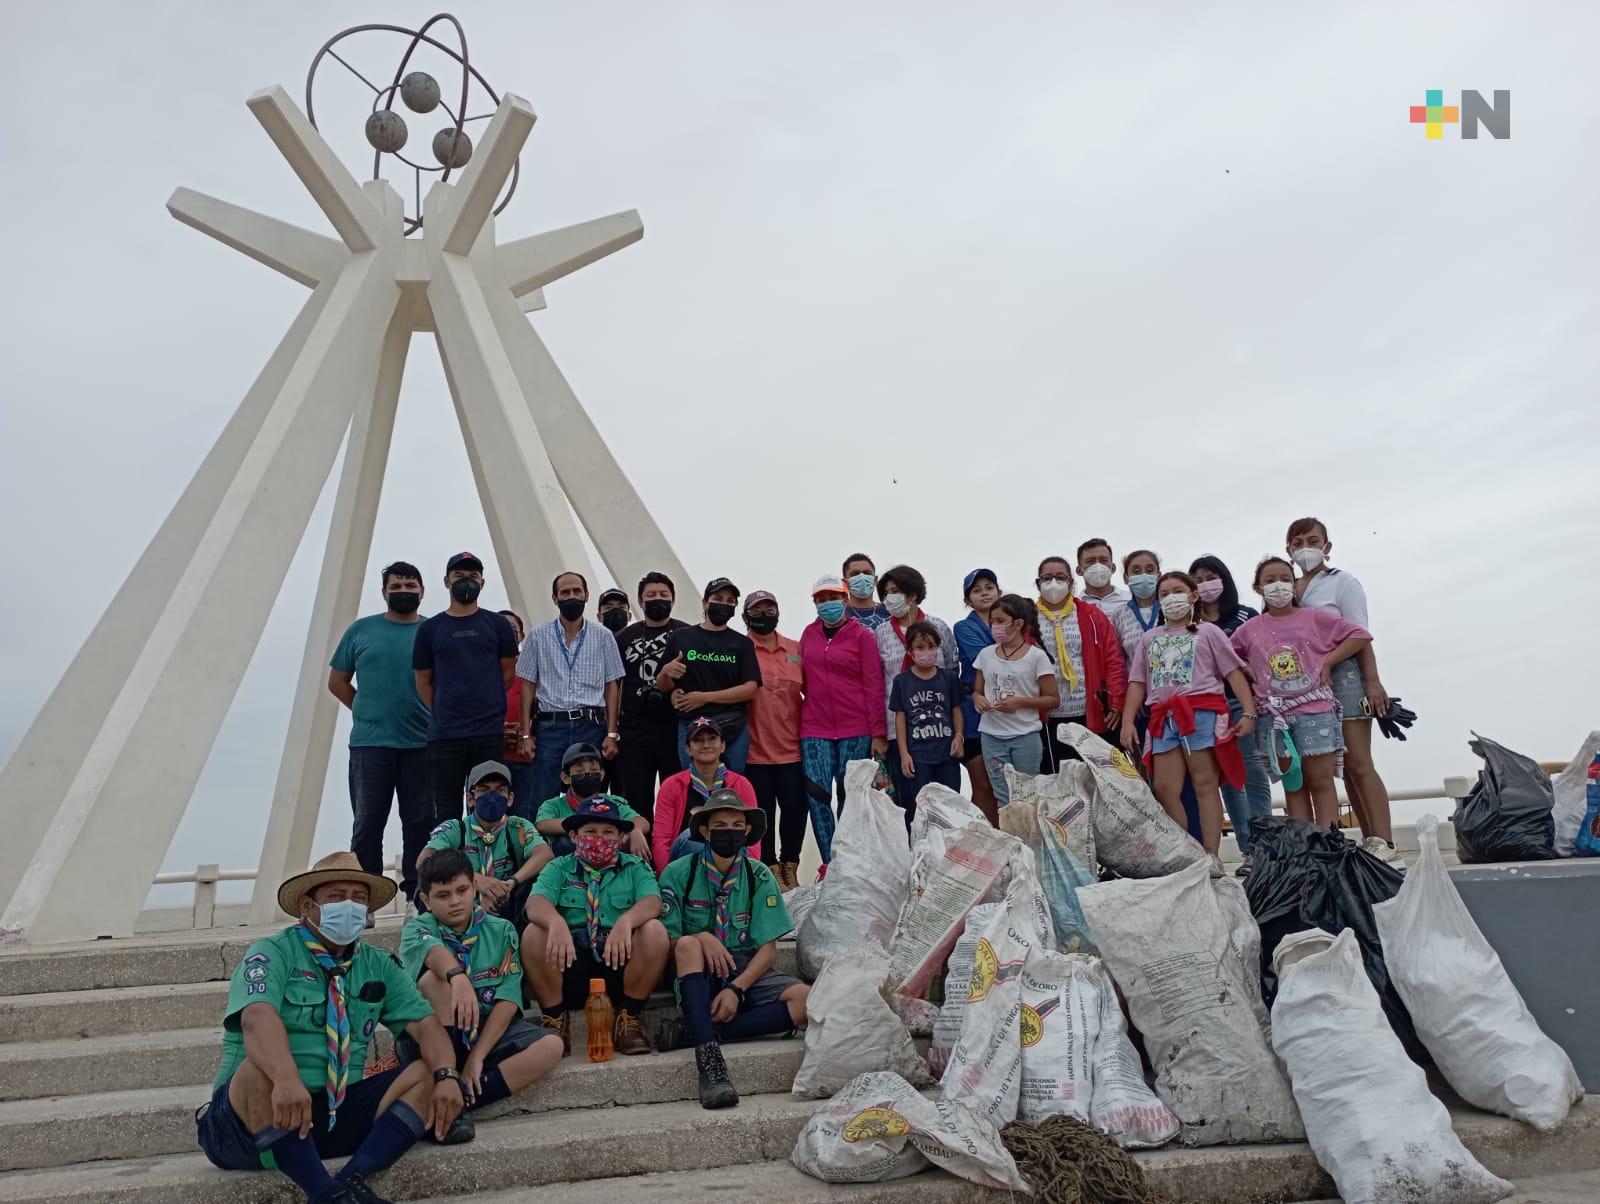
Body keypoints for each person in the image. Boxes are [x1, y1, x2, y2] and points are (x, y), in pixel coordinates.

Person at [195, 852, 465, 1204]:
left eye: (359, 898)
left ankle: (354, 1179)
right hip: (249, 1122)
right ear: (308, 906)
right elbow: (256, 1018)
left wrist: (447, 1076)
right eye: (337, 897)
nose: (350, 906)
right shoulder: (272, 953)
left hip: (332, 1111)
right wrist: (288, 1081)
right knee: (255, 1072)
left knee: (425, 1072)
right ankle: (326, 1194)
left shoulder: (376, 964)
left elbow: (426, 1025)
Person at [656, 793, 809, 1109]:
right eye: (721, 825)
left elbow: (768, 950)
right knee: (687, 943)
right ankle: (711, 1064)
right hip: (698, 970)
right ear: (706, 831)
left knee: (809, 1001)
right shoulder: (678, 872)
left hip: (745, 968)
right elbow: (669, 941)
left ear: (747, 832)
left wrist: (737, 990)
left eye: (738, 825)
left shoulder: (759, 875)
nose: (730, 831)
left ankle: (694, 1031)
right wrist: (702, 936)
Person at [398, 850, 562, 1132]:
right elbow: (432, 952)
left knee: (552, 1046)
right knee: (434, 983)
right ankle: (445, 1080)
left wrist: (477, 1056)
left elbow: (508, 998)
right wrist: (457, 978)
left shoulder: (502, 929)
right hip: (432, 1037)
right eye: (443, 895)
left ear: (475, 887)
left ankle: (460, 1100)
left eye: (462, 890)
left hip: (483, 1029)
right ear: (425, 899)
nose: (455, 901)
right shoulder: (418, 927)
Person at [1287, 517, 1401, 861]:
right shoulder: (1289, 588)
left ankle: (1385, 841)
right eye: (1298, 542)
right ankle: (1368, 841)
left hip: (1346, 677)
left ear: (1327, 546)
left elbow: (1360, 635)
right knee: (1341, 765)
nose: (1305, 547)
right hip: (1307, 688)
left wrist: (1373, 681)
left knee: (1359, 760)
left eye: (1313, 540)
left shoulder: (1342, 583)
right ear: (1288, 550)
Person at [1119, 572, 1257, 855]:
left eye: (1177, 591)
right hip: (1162, 717)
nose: (1171, 598)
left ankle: (1211, 853)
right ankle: (1186, 851)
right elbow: (1138, 683)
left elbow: (1233, 672)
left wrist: (1249, 712)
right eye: (1164, 594)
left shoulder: (1209, 632)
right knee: (1164, 787)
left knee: (1204, 782)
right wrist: (1127, 721)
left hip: (1201, 713)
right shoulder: (1149, 639)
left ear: (1193, 596)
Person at [1232, 557, 1372, 831]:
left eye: (1284, 578)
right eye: (1270, 580)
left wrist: (1330, 661)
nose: (1278, 586)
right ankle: (1305, 848)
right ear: (1258, 587)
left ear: (1295, 584)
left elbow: (1359, 635)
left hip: (1315, 711)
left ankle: (1328, 844)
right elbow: (1226, 656)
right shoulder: (1248, 629)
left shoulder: (1315, 618)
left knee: (1321, 780)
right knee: (1293, 783)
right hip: (1273, 719)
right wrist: (1248, 669)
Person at [523, 797, 667, 1056]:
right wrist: (555, 921)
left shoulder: (635, 867)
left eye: (608, 832)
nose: (599, 838)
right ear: (574, 835)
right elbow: (535, 903)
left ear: (622, 837)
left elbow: (653, 901)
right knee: (534, 933)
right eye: (590, 831)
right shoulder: (559, 866)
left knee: (654, 931)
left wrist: (627, 921)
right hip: (571, 964)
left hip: (619, 964)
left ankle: (629, 1020)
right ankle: (555, 1020)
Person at [328, 560, 432, 902]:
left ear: (422, 590)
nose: (403, 592)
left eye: (409, 586)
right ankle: (363, 899)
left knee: (420, 824)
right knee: (368, 824)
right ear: (384, 592)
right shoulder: (360, 630)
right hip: (370, 745)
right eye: (396, 587)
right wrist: (366, 709)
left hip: (422, 743)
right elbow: (338, 681)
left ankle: (418, 895)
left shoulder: (432, 630)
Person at [414, 552, 520, 824]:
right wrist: (444, 709)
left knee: (488, 808)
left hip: (487, 733)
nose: (466, 582)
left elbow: (507, 674)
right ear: (446, 581)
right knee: (446, 812)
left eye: (472, 576)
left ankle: (484, 866)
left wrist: (485, 703)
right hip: (445, 736)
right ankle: (448, 866)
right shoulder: (430, 629)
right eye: (459, 576)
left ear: (482, 582)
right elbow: (423, 682)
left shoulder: (497, 625)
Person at [514, 571, 625, 809]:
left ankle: (590, 846)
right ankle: (541, 846)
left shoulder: (603, 636)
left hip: (591, 725)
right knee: (543, 798)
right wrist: (525, 734)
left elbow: (612, 685)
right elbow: (528, 685)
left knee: (591, 798)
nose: (571, 596)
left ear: (586, 595)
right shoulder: (537, 636)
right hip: (551, 726)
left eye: (576, 591)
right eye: (565, 592)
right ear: (555, 598)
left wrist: (612, 733)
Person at [1189, 555, 1273, 865]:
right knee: (1228, 777)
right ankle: (1248, 848)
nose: (1204, 584)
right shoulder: (1188, 624)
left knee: (1252, 769)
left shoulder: (1245, 615)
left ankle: (1267, 846)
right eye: (1197, 579)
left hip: (1242, 702)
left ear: (1224, 579)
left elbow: (1260, 658)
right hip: (1207, 707)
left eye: (1210, 576)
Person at [798, 575, 887, 865]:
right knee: (817, 794)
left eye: (833, 598)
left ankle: (851, 863)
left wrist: (878, 733)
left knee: (850, 798)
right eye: (821, 600)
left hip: (856, 728)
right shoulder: (808, 635)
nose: (828, 604)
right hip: (815, 728)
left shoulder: (862, 636)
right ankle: (829, 863)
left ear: (845, 600)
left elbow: (874, 685)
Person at [418, 762, 552, 923]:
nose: (492, 796)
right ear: (470, 799)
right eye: (483, 790)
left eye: (500, 790)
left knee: (536, 881)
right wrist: (475, 879)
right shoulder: (456, 829)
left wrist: (511, 882)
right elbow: (423, 861)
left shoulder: (518, 827)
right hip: (461, 905)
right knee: (425, 881)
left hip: (506, 904)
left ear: (510, 799)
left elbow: (545, 855)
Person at [873, 565, 959, 808]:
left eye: (896, 591)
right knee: (908, 801)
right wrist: (878, 732)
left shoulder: (938, 626)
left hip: (939, 731)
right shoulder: (880, 633)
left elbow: (952, 668)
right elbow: (877, 682)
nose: (890, 597)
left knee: (945, 802)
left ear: (912, 595)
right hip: (896, 729)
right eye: (887, 592)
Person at [655, 578, 762, 773]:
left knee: (732, 789)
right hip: (691, 726)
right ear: (705, 602)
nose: (724, 604)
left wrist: (704, 698)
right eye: (718, 598)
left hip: (733, 727)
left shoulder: (742, 643)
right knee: (694, 788)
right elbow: (662, 685)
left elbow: (750, 689)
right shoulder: (681, 637)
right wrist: (665, 672)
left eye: (730, 601)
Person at [1033, 556, 1127, 770]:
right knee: (1057, 780)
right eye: (1047, 578)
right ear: (1038, 583)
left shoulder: (1091, 614)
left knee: (1098, 778)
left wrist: (1116, 702)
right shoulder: (1027, 617)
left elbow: (1113, 660)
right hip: (1048, 717)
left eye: (1060, 577)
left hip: (1090, 711)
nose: (1054, 583)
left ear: (1071, 582)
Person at [741, 591, 808, 890]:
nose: (765, 613)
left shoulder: (796, 649)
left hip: (794, 751)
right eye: (758, 609)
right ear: (746, 616)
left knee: (795, 810)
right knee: (762, 816)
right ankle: (769, 871)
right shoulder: (740, 649)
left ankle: (790, 866)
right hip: (754, 754)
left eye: (770, 607)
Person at [612, 572, 688, 825]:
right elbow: (612, 685)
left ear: (673, 598)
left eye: (663, 595)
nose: (658, 599)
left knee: (677, 799)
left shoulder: (686, 634)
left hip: (674, 727)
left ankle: (674, 857)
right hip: (635, 731)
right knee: (636, 800)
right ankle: (641, 859)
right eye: (651, 595)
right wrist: (612, 730)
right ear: (640, 601)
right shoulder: (623, 637)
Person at [973, 595, 1059, 808]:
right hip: (991, 737)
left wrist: (1020, 702)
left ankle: (1030, 840)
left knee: (1028, 796)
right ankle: (1011, 840)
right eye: (992, 621)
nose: (995, 626)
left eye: (1000, 621)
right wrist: (979, 699)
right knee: (1003, 797)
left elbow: (1053, 699)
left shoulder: (1036, 657)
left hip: (1025, 737)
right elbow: (976, 690)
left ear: (1018, 624)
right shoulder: (985, 654)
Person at [652, 717, 759, 871]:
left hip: (732, 861)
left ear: (722, 746)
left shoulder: (741, 785)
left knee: (734, 836)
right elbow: (661, 840)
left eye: (712, 739)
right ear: (688, 749)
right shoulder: (672, 785)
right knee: (695, 835)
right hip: (684, 866)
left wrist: (750, 876)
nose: (706, 745)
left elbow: (753, 836)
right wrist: (667, 879)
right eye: (698, 740)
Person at [532, 743, 650, 860]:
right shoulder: (554, 805)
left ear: (602, 774)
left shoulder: (612, 801)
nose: (587, 774)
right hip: (570, 866)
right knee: (564, 842)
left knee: (629, 837)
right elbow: (542, 824)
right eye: (579, 771)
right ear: (566, 778)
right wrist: (585, 824)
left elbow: (642, 821)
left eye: (593, 769)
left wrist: (636, 830)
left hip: (611, 864)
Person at [890, 621, 965, 803]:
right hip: (918, 758)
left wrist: (959, 737)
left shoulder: (949, 678)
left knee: (951, 804)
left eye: (931, 646)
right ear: (910, 651)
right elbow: (900, 719)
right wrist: (904, 754)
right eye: (920, 647)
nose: (927, 652)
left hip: (947, 755)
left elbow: (956, 710)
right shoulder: (901, 681)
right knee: (923, 806)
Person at [952, 569, 1002, 823]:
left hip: (1007, 713)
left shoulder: (1015, 623)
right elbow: (987, 659)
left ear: (999, 592)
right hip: (974, 715)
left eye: (989, 587)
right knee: (983, 786)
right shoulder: (964, 628)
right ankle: (980, 844)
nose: (984, 593)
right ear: (968, 599)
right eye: (976, 590)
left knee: (1005, 788)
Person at [496, 611, 538, 820]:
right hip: (490, 758)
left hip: (525, 761)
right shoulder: (479, 668)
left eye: (512, 628)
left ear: (521, 636)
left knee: (523, 823)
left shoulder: (534, 668)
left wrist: (527, 734)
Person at [1110, 549, 1163, 670]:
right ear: (1126, 577)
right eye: (1136, 571)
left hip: (1172, 684)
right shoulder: (1119, 615)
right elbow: (1117, 659)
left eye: (1150, 571)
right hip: (1135, 685)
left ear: (1158, 576)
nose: (1144, 575)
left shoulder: (1170, 608)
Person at [1075, 539, 1132, 612]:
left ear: (1113, 568)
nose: (1098, 565)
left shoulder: (1131, 600)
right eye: (1090, 561)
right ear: (1079, 570)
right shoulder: (1074, 607)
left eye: (1103, 560)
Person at [841, 552, 892, 630]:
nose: (862, 577)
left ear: (875, 580)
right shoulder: (837, 615)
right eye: (855, 574)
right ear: (845, 583)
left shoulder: (890, 612)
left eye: (867, 573)